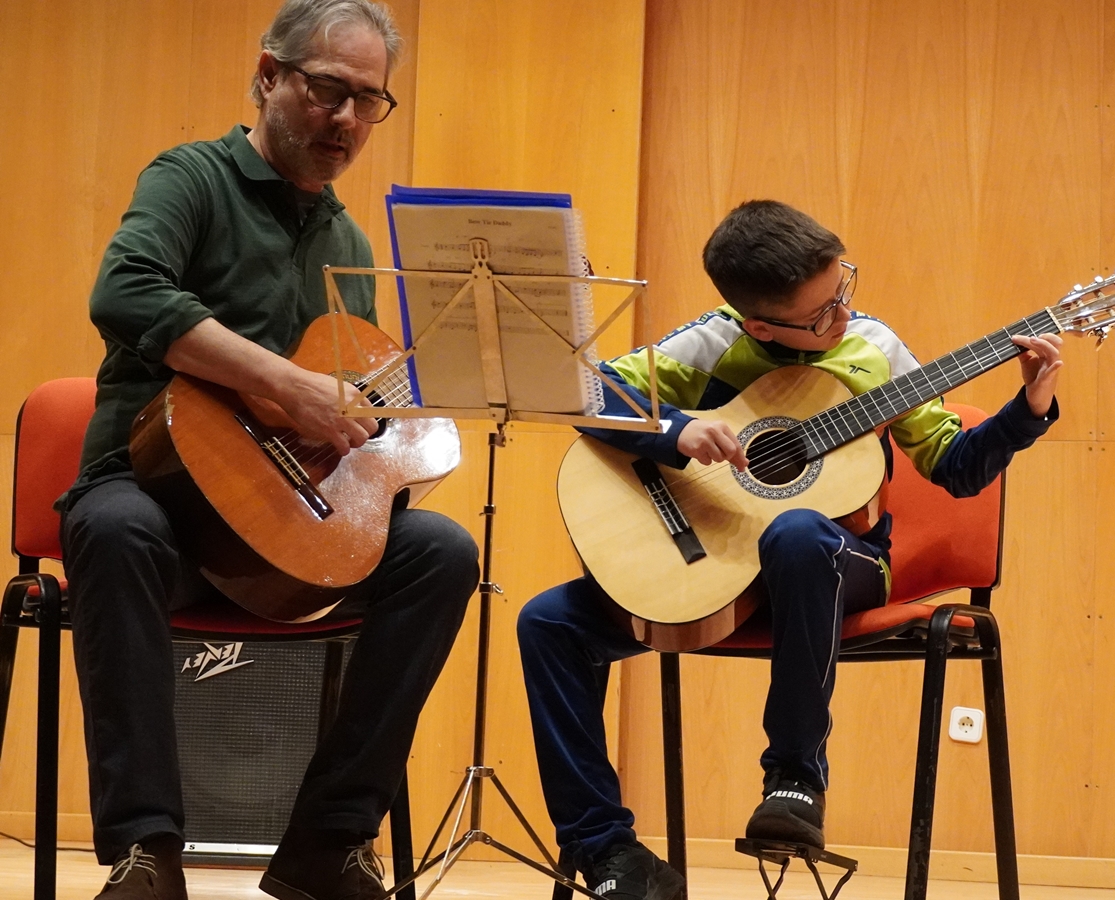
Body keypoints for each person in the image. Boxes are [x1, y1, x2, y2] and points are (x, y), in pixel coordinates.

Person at [516, 199, 1063, 900]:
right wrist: (676, 433)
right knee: (547, 623)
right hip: (716, 568)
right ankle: (610, 854)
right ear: (760, 325)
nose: (842, 318)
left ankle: (795, 779)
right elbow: (587, 391)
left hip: (840, 567)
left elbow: (957, 469)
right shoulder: (714, 344)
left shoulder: (873, 350)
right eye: (822, 314)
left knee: (798, 531)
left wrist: (1029, 410)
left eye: (843, 292)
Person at [59, 2, 479, 898]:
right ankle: (146, 854)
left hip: (281, 527)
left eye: (371, 102)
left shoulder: (351, 243)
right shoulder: (190, 179)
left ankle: (329, 841)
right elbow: (126, 291)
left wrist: (374, 437)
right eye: (330, 90)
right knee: (115, 528)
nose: (349, 121)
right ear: (267, 75)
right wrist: (284, 385)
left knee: (441, 552)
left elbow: (340, 412)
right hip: (157, 500)